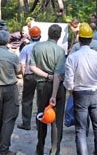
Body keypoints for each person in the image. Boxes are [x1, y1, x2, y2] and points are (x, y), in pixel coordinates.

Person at [64, 23, 97, 155]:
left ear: (79, 39)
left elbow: (69, 81)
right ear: (91, 39)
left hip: (79, 95)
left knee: (80, 129)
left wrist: (72, 89)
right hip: (96, 93)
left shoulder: (73, 57)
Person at [30, 24, 66, 155]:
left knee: (41, 117)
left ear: (48, 34)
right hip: (57, 88)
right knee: (56, 120)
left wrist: (46, 75)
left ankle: (40, 148)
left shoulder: (37, 47)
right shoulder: (60, 51)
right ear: (59, 35)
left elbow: (32, 67)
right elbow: (57, 75)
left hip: (41, 86)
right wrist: (54, 95)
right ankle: (55, 150)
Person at [0, 30, 21, 155]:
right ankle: (4, 148)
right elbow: (18, 71)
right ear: (7, 41)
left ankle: (0, 143)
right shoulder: (12, 56)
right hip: (10, 88)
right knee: (9, 118)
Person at [17, 26, 42, 130]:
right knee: (41, 100)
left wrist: (24, 76)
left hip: (29, 76)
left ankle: (26, 123)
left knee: (27, 100)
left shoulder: (26, 48)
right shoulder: (43, 47)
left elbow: (22, 65)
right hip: (42, 76)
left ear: (30, 36)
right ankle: (40, 123)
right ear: (40, 36)